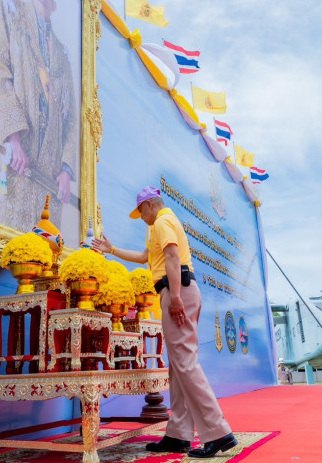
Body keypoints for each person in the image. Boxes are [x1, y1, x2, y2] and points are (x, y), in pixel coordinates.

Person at [92, 187, 237, 458]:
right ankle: (178, 435)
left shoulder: (162, 221)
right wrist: (111, 249)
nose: (141, 218)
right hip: (175, 290)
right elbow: (145, 257)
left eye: (141, 212)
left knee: (185, 364)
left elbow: (173, 257)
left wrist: (176, 297)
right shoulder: (158, 225)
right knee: (179, 366)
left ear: (149, 205)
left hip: (177, 289)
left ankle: (219, 433)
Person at [0, 0, 78, 232]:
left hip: (46, 183)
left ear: (54, 5)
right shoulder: (11, 11)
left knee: (42, 253)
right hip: (13, 164)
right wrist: (13, 136)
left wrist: (66, 170)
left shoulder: (63, 54)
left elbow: (71, 119)